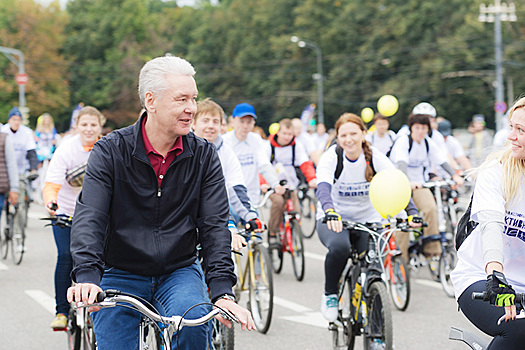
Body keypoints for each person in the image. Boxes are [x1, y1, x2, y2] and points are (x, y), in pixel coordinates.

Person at [67, 55, 255, 350]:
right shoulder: (110, 151)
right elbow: (90, 215)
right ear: (151, 101)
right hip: (120, 271)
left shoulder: (204, 156)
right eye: (182, 99)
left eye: (193, 99)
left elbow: (214, 226)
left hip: (178, 271)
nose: (191, 108)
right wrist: (88, 276)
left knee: (195, 332)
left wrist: (222, 291)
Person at [315, 113, 419, 322]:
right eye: (343, 135)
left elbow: (396, 183)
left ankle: (378, 336)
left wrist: (412, 212)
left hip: (368, 221)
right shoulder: (331, 157)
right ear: (337, 137)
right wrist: (330, 210)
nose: (349, 139)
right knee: (340, 248)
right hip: (334, 218)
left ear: (363, 134)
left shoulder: (374, 157)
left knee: (374, 272)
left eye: (354, 133)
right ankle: (330, 295)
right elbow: (323, 188)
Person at [451, 97, 525, 350]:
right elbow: (491, 222)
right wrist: (496, 274)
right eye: (512, 127)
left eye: (521, 130)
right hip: (482, 277)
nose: (511, 137)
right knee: (519, 328)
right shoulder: (497, 169)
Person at [43, 106, 105, 329]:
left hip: (96, 214)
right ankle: (61, 311)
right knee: (66, 255)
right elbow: (52, 182)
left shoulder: (106, 147)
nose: (89, 129)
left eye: (93, 124)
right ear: (77, 126)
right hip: (66, 212)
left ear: (100, 126)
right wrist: (52, 202)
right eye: (84, 124)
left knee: (103, 259)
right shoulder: (66, 149)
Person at [389, 113, 464, 257]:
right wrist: (407, 182)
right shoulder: (403, 141)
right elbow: (401, 163)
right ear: (411, 128)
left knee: (430, 209)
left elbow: (441, 160)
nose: (420, 131)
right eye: (417, 128)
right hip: (400, 185)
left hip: (420, 185)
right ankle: (401, 262)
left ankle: (431, 250)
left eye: (424, 128)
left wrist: (454, 175)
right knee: (402, 220)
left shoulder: (428, 143)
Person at [192, 98, 262, 250]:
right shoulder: (185, 148)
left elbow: (235, 186)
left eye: (215, 121)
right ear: (193, 123)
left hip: (220, 212)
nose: (211, 126)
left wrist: (250, 214)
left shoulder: (226, 151)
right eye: (205, 120)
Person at [222, 103, 285, 219]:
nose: (245, 126)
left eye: (249, 122)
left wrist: (275, 184)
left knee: (256, 233)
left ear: (253, 124)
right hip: (229, 200)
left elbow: (264, 164)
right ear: (233, 121)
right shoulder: (224, 141)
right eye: (242, 121)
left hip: (251, 198)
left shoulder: (255, 139)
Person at [265, 118, 317, 241]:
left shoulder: (296, 146)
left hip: (291, 183)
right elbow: (263, 166)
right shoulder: (268, 146)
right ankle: (273, 233)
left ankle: (294, 236)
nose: (287, 137)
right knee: (278, 203)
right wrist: (264, 184)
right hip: (274, 184)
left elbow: (305, 163)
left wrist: (312, 178)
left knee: (296, 210)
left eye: (290, 134)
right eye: (284, 133)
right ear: (278, 132)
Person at [2, 107, 39, 177]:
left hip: (22, 168)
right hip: (5, 169)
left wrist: (33, 169)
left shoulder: (27, 132)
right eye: (14, 119)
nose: (16, 122)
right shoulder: (3, 131)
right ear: (9, 120)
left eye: (18, 120)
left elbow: (31, 152)